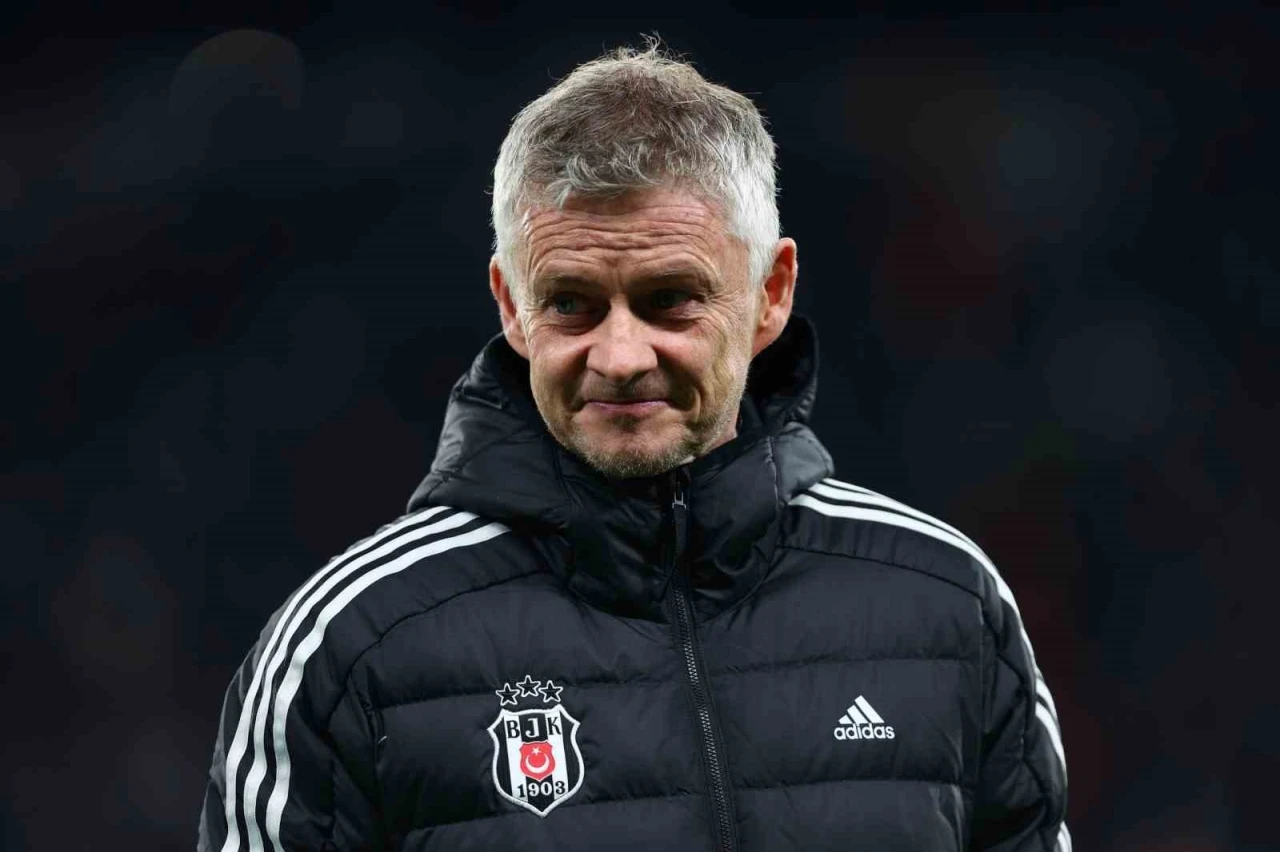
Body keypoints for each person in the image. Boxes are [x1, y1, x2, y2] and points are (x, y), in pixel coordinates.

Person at [198, 41, 1069, 852]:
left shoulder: (947, 603)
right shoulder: (354, 643)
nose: (619, 357)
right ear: (510, 306)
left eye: (669, 299)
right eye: (571, 304)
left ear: (771, 293)